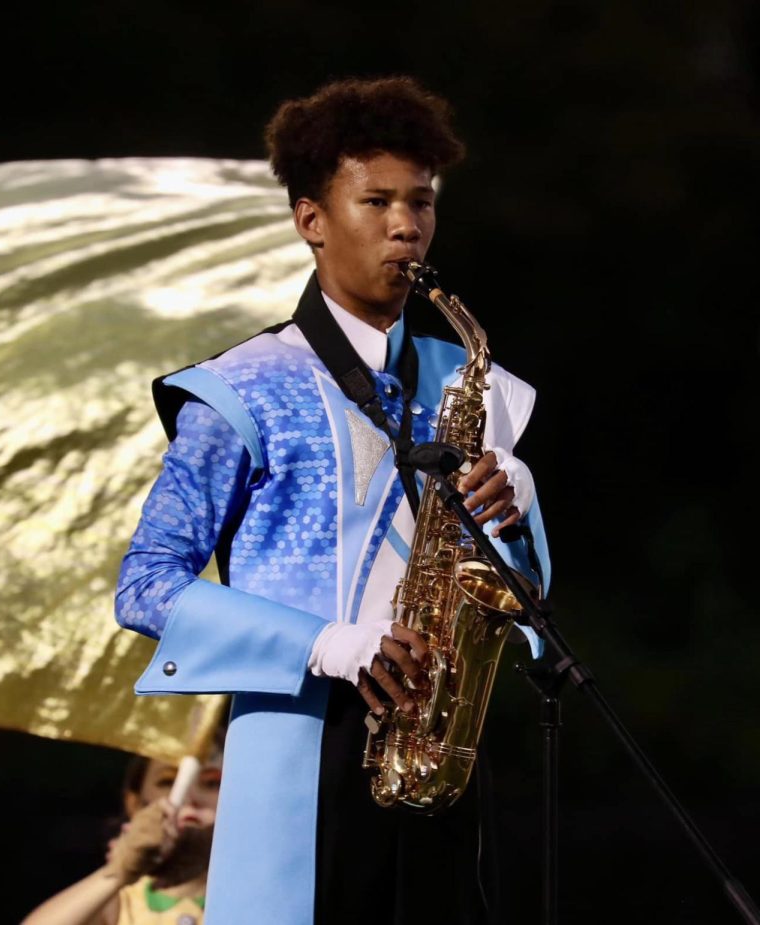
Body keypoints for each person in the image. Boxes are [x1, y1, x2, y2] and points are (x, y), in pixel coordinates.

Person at [115, 77, 552, 924]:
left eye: (421, 202)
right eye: (378, 200)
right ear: (311, 220)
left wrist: (517, 510)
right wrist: (324, 642)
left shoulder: (475, 385)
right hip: (304, 748)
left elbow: (526, 601)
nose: (406, 225)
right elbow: (145, 585)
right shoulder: (239, 389)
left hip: (443, 743)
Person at [21, 753, 220, 925]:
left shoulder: (245, 899)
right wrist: (118, 872)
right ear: (133, 803)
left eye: (213, 783)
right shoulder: (119, 902)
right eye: (168, 781)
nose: (191, 797)